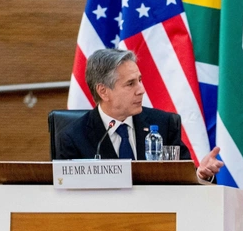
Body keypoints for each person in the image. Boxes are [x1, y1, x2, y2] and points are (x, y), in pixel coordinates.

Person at [56, 48, 223, 182]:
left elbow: (184, 182)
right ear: (103, 91)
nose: (141, 90)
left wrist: (201, 174)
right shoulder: (73, 137)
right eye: (130, 84)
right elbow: (65, 195)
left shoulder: (164, 124)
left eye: (140, 80)